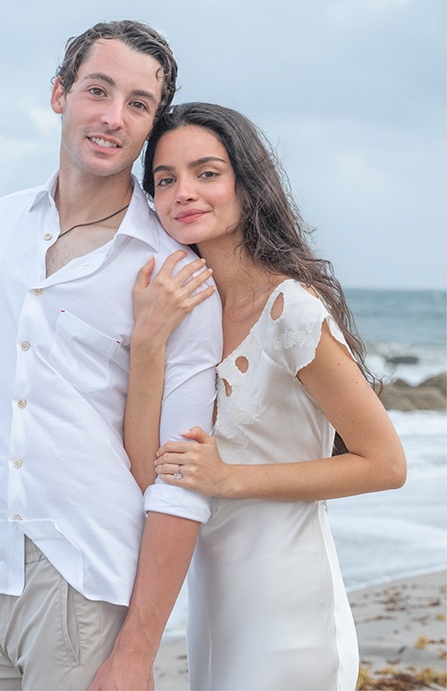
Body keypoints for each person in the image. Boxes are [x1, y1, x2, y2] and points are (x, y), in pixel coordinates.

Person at [0, 21, 223, 689]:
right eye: (97, 91)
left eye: (137, 104)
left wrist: (136, 651)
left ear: (152, 123)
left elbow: (178, 480)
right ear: (59, 95)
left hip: (83, 574)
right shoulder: (0, 221)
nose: (112, 118)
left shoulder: (176, 273)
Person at [124, 101, 406, 689]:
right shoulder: (184, 314)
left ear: (247, 186)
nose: (184, 193)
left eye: (207, 173)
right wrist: (148, 342)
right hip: (210, 602)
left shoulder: (291, 309)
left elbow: (385, 464)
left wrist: (228, 479)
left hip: (291, 608)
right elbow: (146, 469)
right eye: (165, 180)